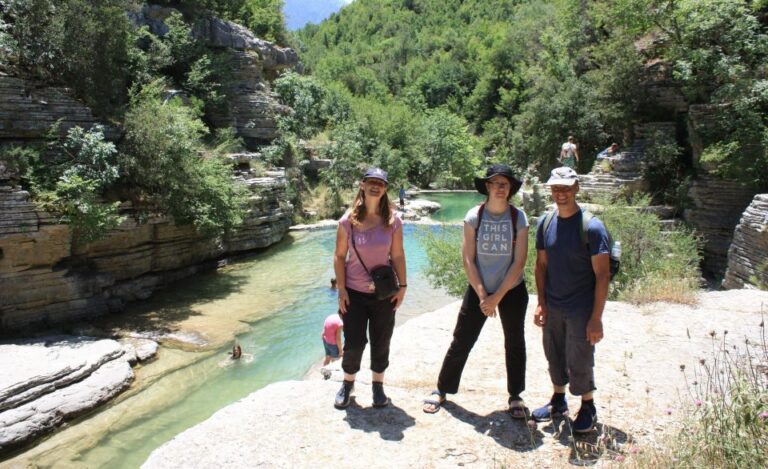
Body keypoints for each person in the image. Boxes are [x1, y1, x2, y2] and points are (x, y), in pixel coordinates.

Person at [422, 164, 530, 418]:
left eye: (505, 184)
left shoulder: (518, 218)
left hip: (511, 289)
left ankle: (515, 396)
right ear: (487, 187)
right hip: (479, 287)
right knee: (462, 339)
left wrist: (497, 297)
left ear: (510, 188)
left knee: (515, 342)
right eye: (495, 183)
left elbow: (519, 261)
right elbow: (468, 259)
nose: (500, 188)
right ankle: (442, 389)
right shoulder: (474, 216)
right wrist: (483, 295)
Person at [532, 166, 611, 433]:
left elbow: (602, 275)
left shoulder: (592, 227)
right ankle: (558, 400)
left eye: (566, 188)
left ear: (576, 187)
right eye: (556, 188)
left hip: (580, 308)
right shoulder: (545, 223)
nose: (560, 193)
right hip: (553, 305)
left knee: (580, 357)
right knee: (553, 354)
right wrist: (541, 302)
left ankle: (587, 405)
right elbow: (541, 265)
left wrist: (596, 318)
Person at [333, 167, 407, 409]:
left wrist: (403, 286)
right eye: (371, 182)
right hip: (354, 293)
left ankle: (378, 386)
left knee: (381, 340)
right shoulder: (348, 221)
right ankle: (348, 383)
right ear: (362, 185)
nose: (376, 186)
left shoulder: (393, 221)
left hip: (384, 294)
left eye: (381, 183)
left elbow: (397, 255)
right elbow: (339, 256)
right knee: (354, 342)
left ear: (385, 189)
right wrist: (342, 290)